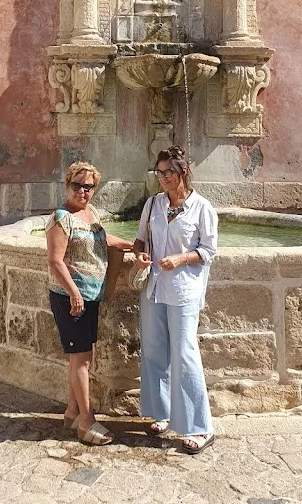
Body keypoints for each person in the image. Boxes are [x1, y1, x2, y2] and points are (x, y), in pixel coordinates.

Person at [133, 146, 218, 454]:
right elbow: (140, 238)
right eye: (159, 173)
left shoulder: (202, 208)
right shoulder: (153, 204)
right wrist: (141, 254)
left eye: (167, 173)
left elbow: (208, 252)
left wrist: (182, 258)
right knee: (154, 350)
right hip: (154, 286)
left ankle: (200, 427)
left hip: (184, 290)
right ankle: (161, 412)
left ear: (182, 173)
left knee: (184, 353)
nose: (162, 179)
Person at [45, 162, 132, 446]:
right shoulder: (61, 218)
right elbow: (55, 262)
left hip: (90, 295)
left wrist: (134, 245)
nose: (83, 191)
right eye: (77, 186)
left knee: (81, 357)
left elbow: (104, 239)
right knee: (82, 360)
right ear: (67, 185)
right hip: (72, 298)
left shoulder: (90, 214)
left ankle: (72, 412)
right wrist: (74, 293)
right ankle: (86, 421)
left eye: (88, 187)